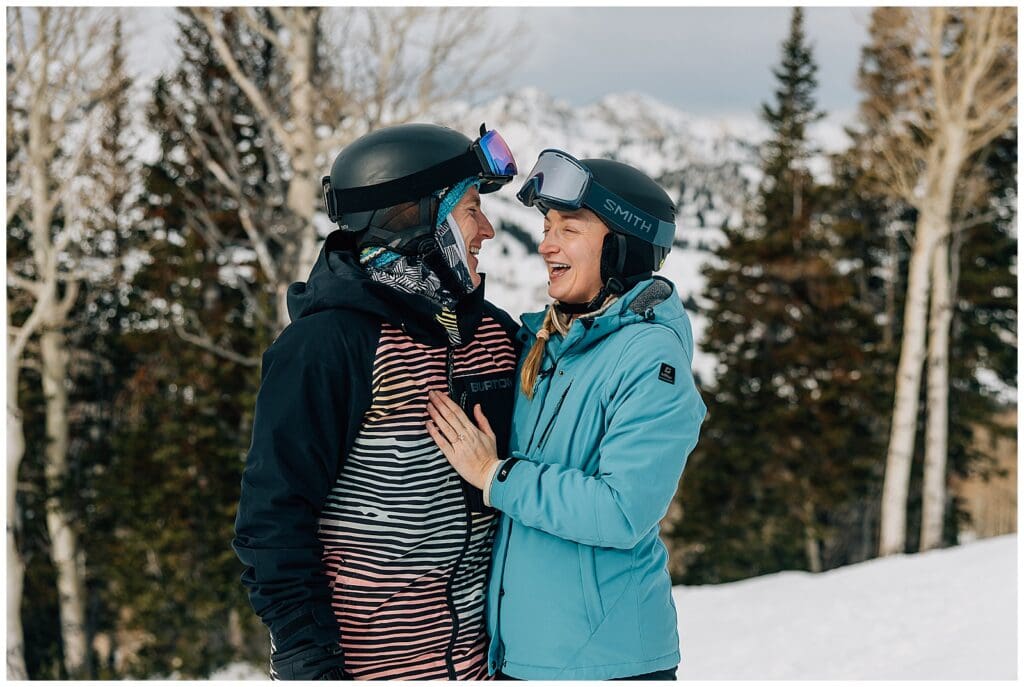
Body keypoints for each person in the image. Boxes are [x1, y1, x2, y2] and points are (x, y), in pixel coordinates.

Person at [233, 123, 521, 680]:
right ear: (414, 220)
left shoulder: (493, 338)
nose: (487, 228)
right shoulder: (327, 347)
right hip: (366, 669)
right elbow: (273, 520)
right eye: (469, 211)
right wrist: (308, 658)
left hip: (484, 667)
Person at [426, 150, 707, 680]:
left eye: (570, 229)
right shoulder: (545, 342)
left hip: (606, 662)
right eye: (548, 226)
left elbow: (623, 511)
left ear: (621, 250)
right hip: (526, 656)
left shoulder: (650, 359)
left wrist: (494, 474)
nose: (546, 244)